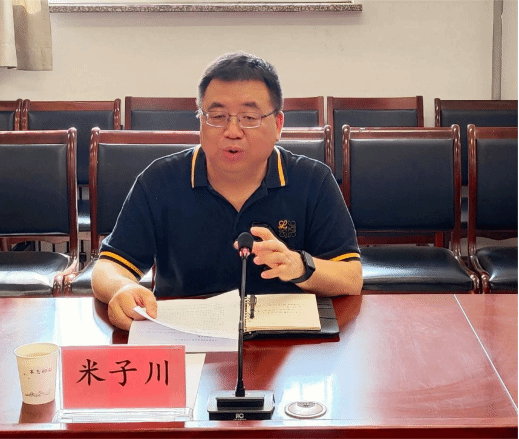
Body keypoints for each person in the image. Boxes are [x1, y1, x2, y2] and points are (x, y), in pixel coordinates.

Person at [92, 52, 363, 330]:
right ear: (201, 122)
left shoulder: (313, 181)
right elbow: (109, 266)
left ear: (278, 125)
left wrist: (299, 266)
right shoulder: (159, 181)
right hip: (187, 336)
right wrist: (121, 288)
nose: (232, 131)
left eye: (249, 117)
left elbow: (351, 278)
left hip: (285, 338)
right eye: (218, 116)